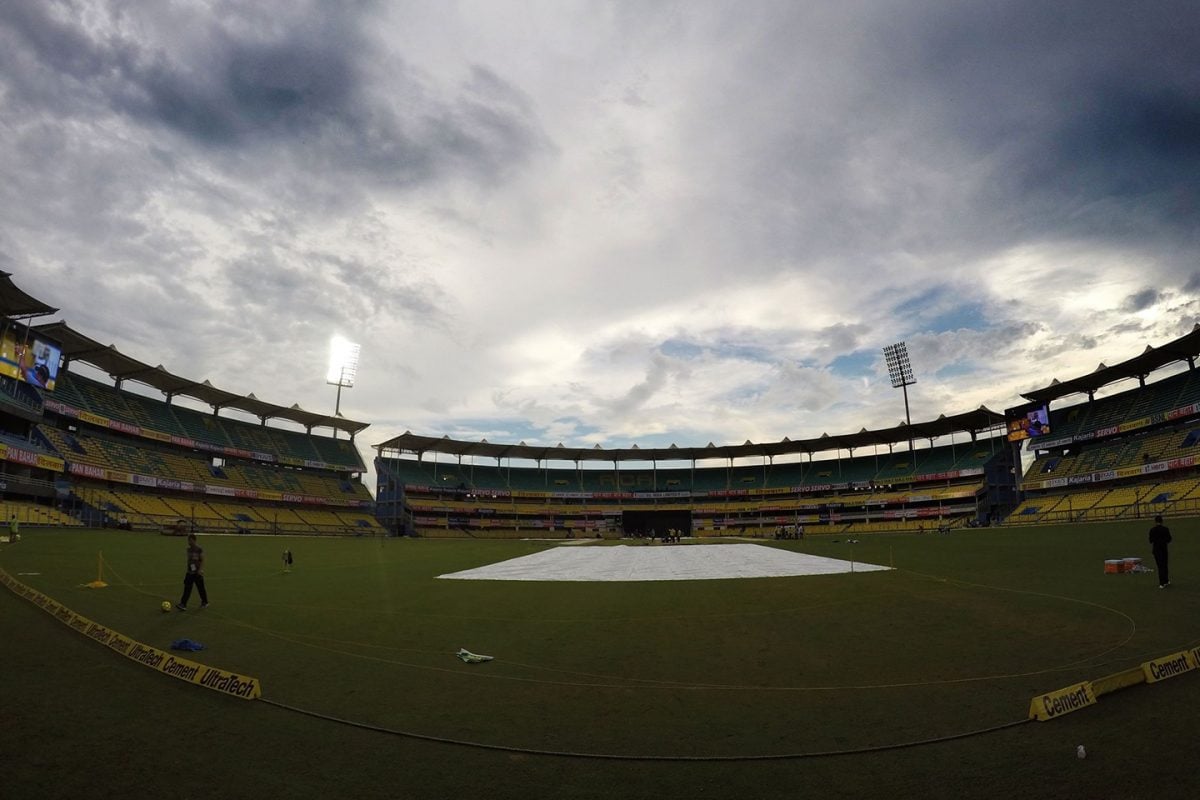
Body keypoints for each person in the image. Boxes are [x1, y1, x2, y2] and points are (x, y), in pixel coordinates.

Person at [176, 533, 208, 610]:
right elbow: (190, 561)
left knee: (200, 588)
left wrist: (200, 569)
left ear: (194, 540)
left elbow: (202, 559)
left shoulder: (199, 549)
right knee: (187, 588)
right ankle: (183, 604)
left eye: (190, 540)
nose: (189, 542)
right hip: (190, 572)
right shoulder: (188, 549)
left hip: (197, 573)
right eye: (188, 540)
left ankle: (205, 601)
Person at [1148, 515, 1172, 589]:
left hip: (1156, 550)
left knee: (1160, 566)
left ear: (1155, 521)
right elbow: (1169, 539)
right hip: (1164, 549)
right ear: (1162, 521)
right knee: (1165, 565)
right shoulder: (1165, 529)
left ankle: (1162, 583)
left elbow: (1150, 541)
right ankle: (1166, 580)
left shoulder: (1152, 530)